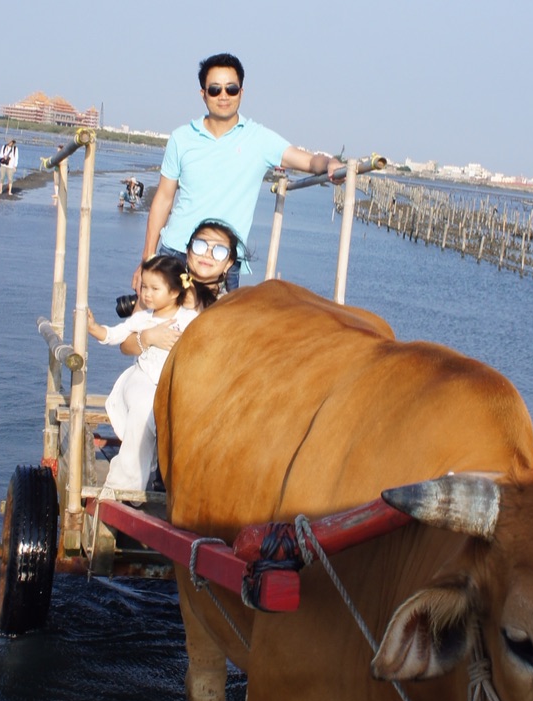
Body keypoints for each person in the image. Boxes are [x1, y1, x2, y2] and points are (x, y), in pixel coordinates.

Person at [135, 52, 343, 292]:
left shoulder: (259, 139)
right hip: (176, 253)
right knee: (158, 328)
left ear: (241, 92)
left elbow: (309, 160)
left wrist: (331, 164)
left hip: (224, 260)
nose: (223, 96)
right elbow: (163, 198)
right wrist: (147, 259)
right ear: (203, 94)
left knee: (221, 329)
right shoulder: (181, 138)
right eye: (215, 89)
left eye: (231, 89)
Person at [88, 254, 195, 494]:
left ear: (175, 291)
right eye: (144, 287)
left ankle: (176, 483)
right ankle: (124, 485)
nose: (146, 294)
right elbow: (116, 335)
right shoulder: (142, 318)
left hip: (174, 382)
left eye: (155, 288)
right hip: (142, 377)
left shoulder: (190, 320)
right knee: (144, 408)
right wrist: (95, 328)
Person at [117, 220, 244, 364]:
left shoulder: (230, 307)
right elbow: (125, 346)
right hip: (148, 381)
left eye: (219, 251)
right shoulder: (159, 290)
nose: (208, 254)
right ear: (188, 252)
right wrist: (149, 337)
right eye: (200, 246)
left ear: (228, 263)